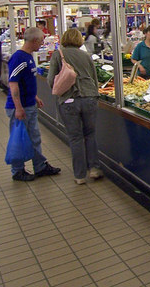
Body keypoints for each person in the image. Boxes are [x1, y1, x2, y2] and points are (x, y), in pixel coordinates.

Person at [47, 29, 103, 185]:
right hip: (90, 98)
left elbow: (51, 79)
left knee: (75, 138)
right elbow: (94, 78)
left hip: (69, 100)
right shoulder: (86, 55)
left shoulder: (59, 55)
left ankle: (79, 176)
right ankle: (94, 168)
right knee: (90, 134)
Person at [5, 27, 61, 181]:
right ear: (34, 41)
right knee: (19, 138)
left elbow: (25, 82)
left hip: (29, 104)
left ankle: (40, 166)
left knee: (34, 137)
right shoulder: (19, 58)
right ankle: (17, 171)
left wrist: (34, 97)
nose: (42, 44)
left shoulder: (28, 57)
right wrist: (18, 108)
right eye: (42, 41)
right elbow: (13, 84)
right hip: (20, 107)